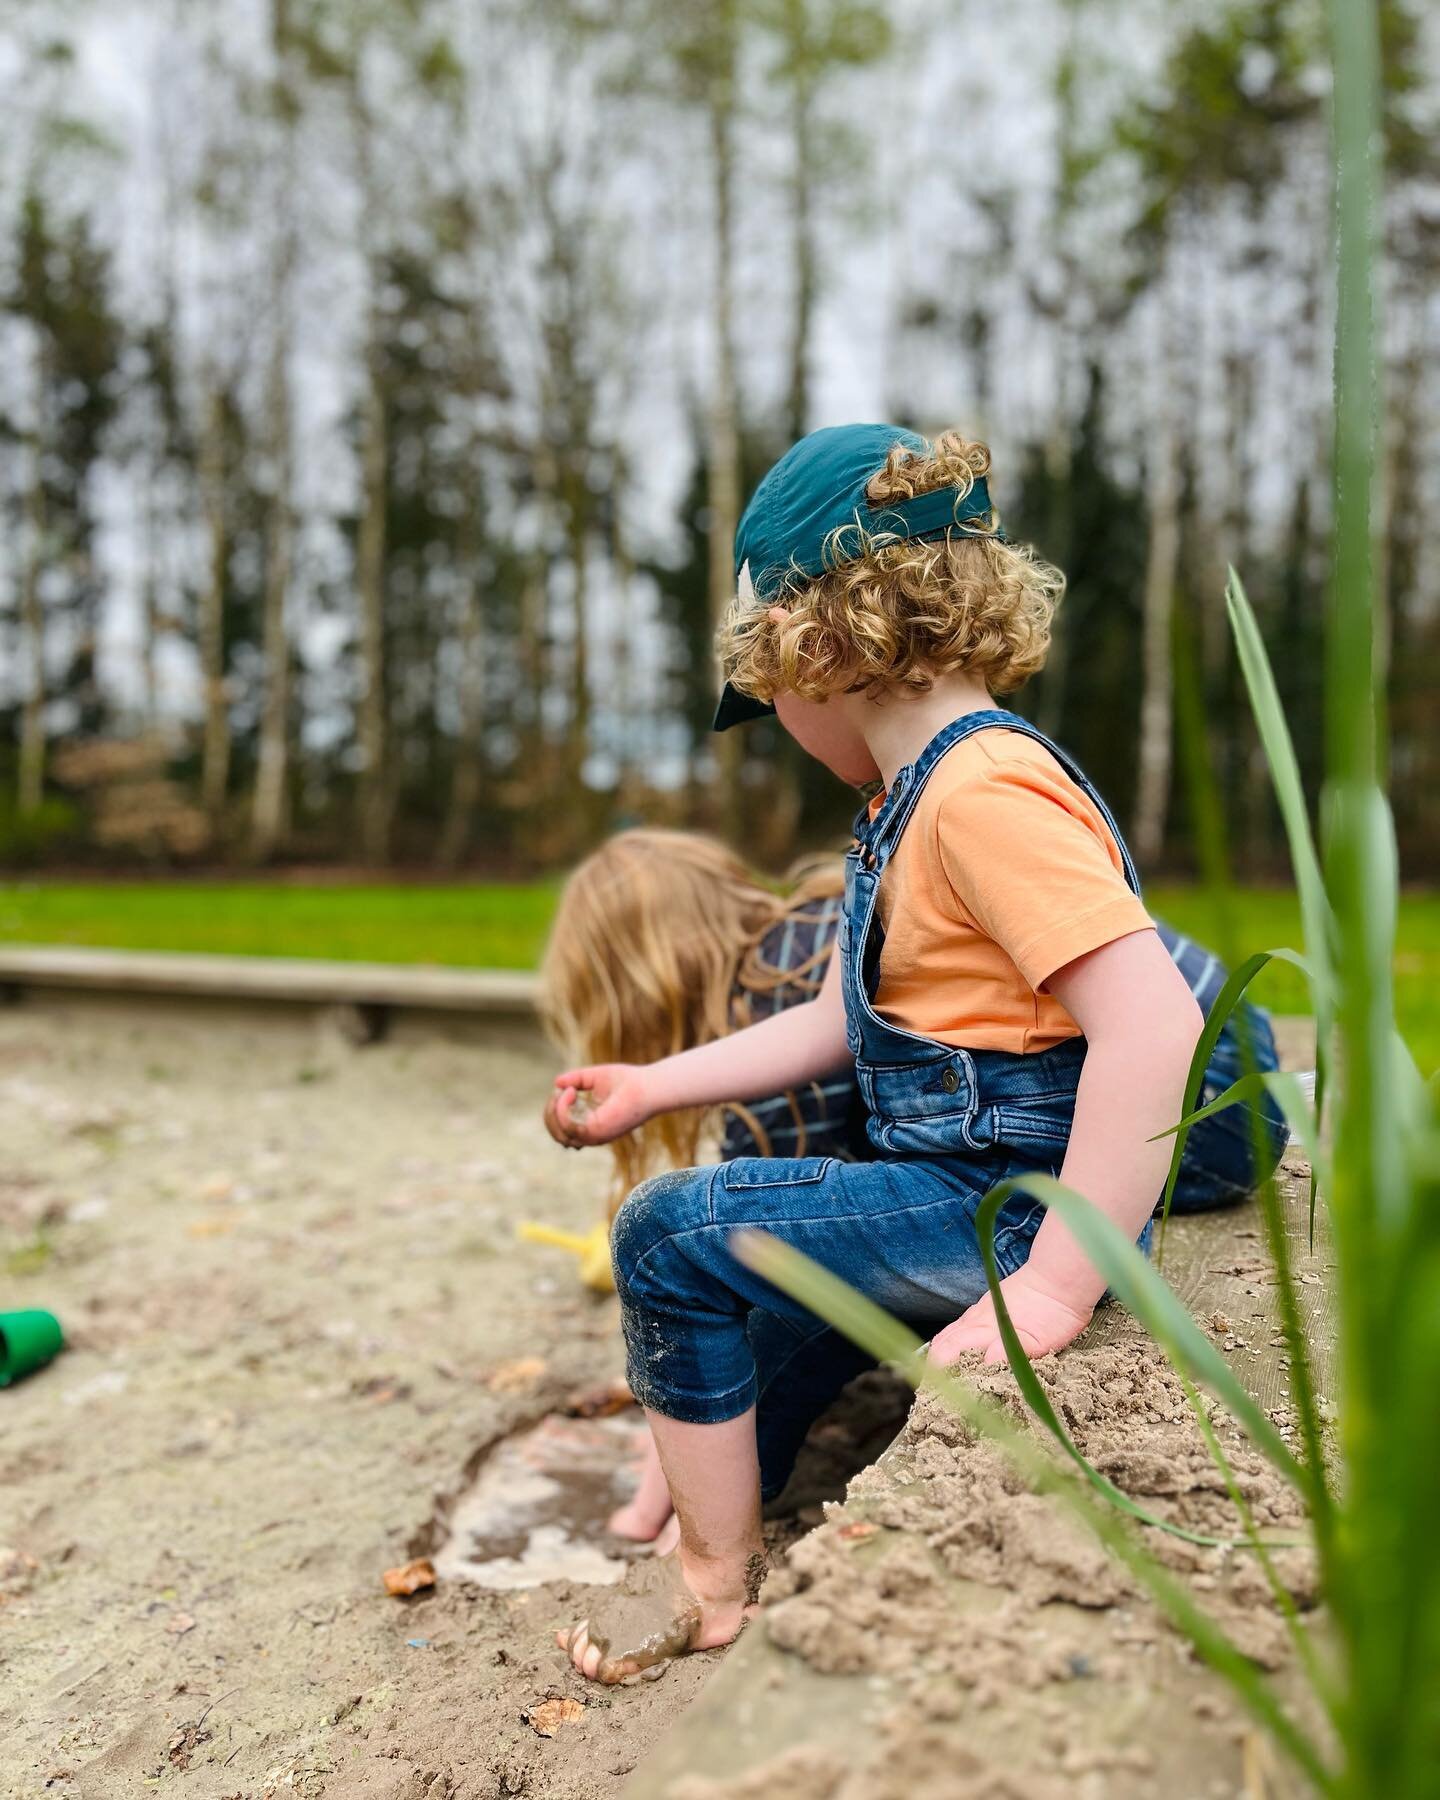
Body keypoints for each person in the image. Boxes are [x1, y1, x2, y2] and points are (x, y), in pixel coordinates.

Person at [542, 425, 1289, 1681]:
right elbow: (854, 1017)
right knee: (766, 1301)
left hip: (1009, 1210)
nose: (776, 721)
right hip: (965, 1185)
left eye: (767, 695)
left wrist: (1054, 1286)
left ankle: (711, 1582)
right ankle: (728, 1503)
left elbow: (1153, 1021)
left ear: (815, 647)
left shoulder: (981, 793)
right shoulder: (911, 803)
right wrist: (654, 1086)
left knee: (667, 1238)